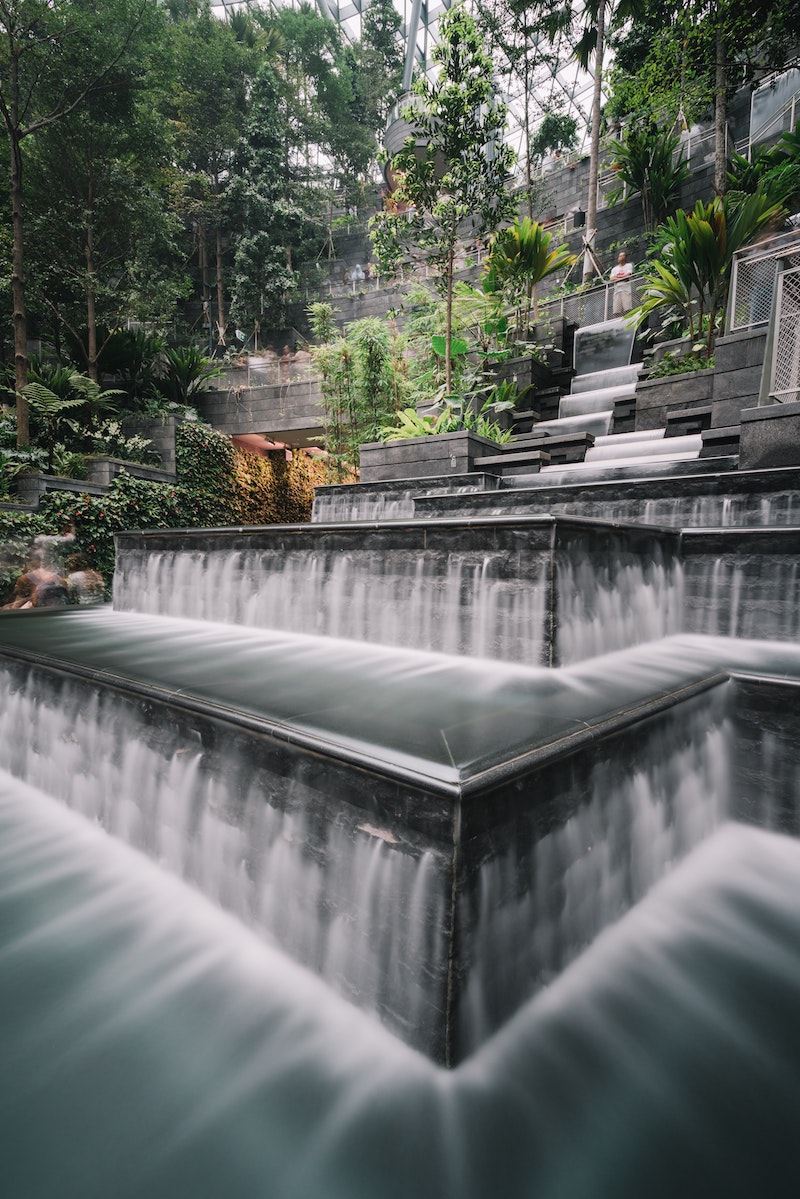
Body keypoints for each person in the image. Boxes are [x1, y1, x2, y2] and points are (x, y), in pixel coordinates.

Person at [610, 250, 633, 315]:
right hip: (617, 291)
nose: (620, 257)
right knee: (616, 311)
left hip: (625, 289)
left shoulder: (628, 265)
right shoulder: (614, 269)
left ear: (625, 257)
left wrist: (617, 277)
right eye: (619, 256)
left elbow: (628, 275)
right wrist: (623, 278)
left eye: (622, 256)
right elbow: (612, 279)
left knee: (628, 308)